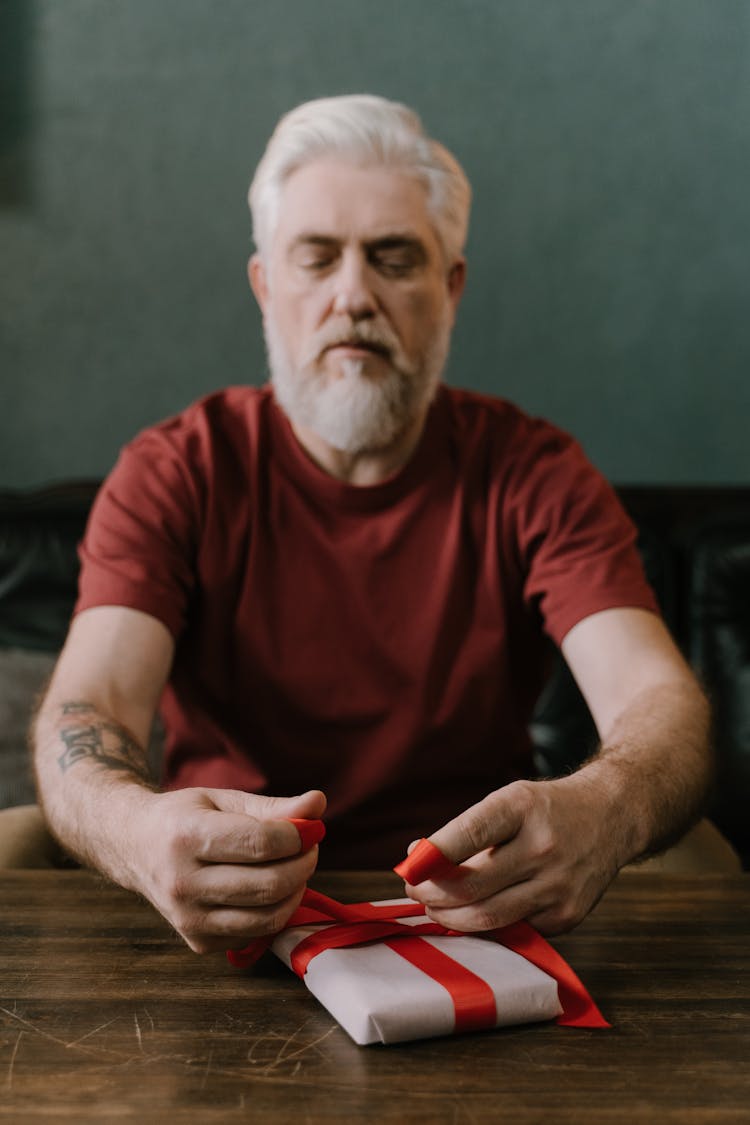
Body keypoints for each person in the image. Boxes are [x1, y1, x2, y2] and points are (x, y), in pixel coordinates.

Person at [31, 94, 717, 955]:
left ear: (450, 289)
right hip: (223, 923)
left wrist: (607, 806)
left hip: (476, 913)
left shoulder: (535, 472)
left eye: (393, 259)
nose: (353, 296)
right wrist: (134, 829)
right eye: (317, 259)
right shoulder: (177, 471)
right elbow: (88, 709)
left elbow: (661, 702)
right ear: (265, 287)